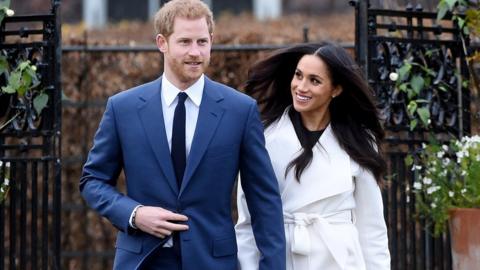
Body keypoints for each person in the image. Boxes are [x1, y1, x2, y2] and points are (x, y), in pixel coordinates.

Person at [79, 1, 286, 269]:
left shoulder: (240, 110)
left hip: (211, 262)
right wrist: (134, 214)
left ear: (211, 40)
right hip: (143, 261)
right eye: (185, 42)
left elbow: (264, 200)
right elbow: (92, 181)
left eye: (202, 41)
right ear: (162, 42)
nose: (195, 52)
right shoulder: (123, 108)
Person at [235, 43, 391, 270]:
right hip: (283, 257)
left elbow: (372, 228)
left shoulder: (359, 141)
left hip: (339, 259)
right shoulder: (264, 137)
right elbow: (247, 222)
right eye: (298, 76)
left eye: (314, 80)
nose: (301, 86)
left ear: (336, 89)